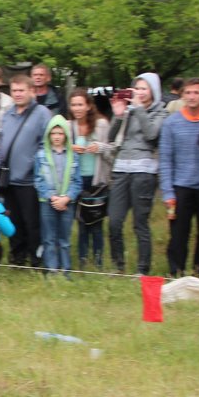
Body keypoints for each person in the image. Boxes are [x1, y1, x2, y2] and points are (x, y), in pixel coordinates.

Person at [105, 73, 166, 275]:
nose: (139, 92)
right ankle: (118, 265)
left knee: (140, 222)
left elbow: (151, 135)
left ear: (153, 91)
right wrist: (118, 115)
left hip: (144, 170)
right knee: (114, 220)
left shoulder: (160, 112)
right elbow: (111, 138)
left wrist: (139, 109)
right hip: (121, 168)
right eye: (136, 88)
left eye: (144, 88)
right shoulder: (128, 110)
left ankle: (142, 269)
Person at [0, 75, 52, 269]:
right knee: (13, 220)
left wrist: (33, 165)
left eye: (21, 90)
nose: (17, 94)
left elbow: (47, 144)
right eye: (14, 91)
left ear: (31, 91)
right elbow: (2, 148)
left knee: (32, 222)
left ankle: (36, 258)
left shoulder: (42, 113)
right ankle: (18, 257)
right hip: (9, 179)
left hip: (31, 180)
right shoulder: (7, 115)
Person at [159, 78, 199, 277]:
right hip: (180, 186)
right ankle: (176, 272)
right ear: (182, 96)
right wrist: (167, 192)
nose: (192, 97)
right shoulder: (171, 123)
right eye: (188, 93)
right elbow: (165, 159)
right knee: (179, 234)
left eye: (196, 93)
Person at [33, 115, 82, 277]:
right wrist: (52, 197)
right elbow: (38, 180)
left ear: (66, 135)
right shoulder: (41, 156)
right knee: (49, 238)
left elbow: (77, 181)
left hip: (67, 202)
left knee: (65, 239)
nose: (57, 137)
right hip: (48, 203)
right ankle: (51, 271)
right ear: (48, 135)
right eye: (53, 133)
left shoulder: (74, 156)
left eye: (60, 133)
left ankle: (66, 270)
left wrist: (66, 198)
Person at [67, 88, 110, 270]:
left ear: (88, 106)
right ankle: (83, 262)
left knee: (96, 223)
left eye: (80, 104)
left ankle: (98, 262)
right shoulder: (68, 126)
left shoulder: (101, 125)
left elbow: (112, 150)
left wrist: (99, 147)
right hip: (76, 181)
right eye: (74, 104)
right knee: (81, 222)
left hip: (96, 181)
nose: (77, 108)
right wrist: (71, 148)